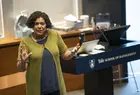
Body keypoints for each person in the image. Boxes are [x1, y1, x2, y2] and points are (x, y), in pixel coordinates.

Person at [17, 11, 80, 95]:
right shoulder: (25, 42)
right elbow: (21, 68)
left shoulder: (54, 35)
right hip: (38, 90)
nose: (39, 26)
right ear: (32, 25)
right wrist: (22, 61)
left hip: (56, 87)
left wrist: (72, 52)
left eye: (42, 23)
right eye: (36, 24)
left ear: (46, 25)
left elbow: (65, 55)